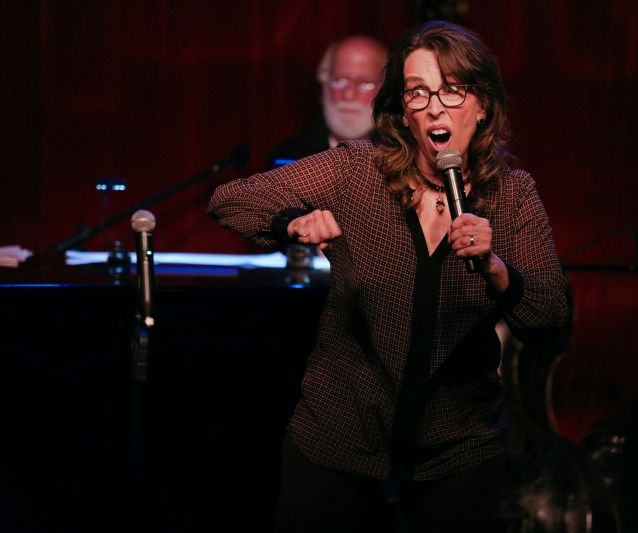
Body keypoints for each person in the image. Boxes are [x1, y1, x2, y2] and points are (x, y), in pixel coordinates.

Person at [209, 20, 569, 532]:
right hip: (338, 446)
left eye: (452, 90)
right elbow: (231, 200)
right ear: (403, 110)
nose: (435, 107)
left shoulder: (512, 197)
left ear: (483, 105)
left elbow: (551, 317)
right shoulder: (359, 171)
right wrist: (293, 221)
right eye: (418, 92)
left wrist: (495, 269)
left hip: (457, 455)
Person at [265, 35, 388, 169]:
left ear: (386, 90)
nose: (349, 94)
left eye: (365, 83)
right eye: (340, 81)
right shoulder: (287, 161)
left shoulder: (403, 160)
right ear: (324, 84)